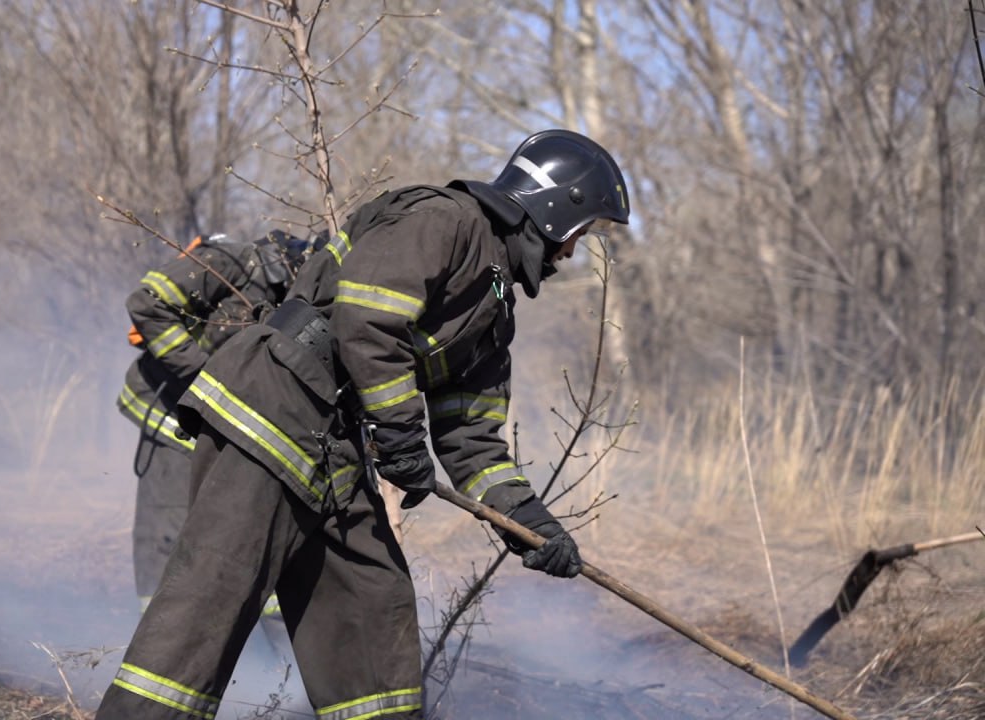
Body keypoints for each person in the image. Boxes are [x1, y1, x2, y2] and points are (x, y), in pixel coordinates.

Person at [96, 129, 631, 720]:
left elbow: (471, 438)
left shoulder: (494, 308)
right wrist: (401, 433)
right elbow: (368, 321)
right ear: (557, 209)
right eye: (582, 233)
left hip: (335, 444)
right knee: (209, 607)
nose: (572, 252)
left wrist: (529, 522)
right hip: (272, 411)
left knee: (374, 609)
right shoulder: (445, 220)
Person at [117, 230, 307, 611]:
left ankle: (257, 639)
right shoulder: (231, 261)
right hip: (170, 414)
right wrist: (202, 374)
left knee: (234, 534)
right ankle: (157, 630)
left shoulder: (291, 298)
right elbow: (146, 302)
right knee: (168, 534)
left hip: (224, 426)